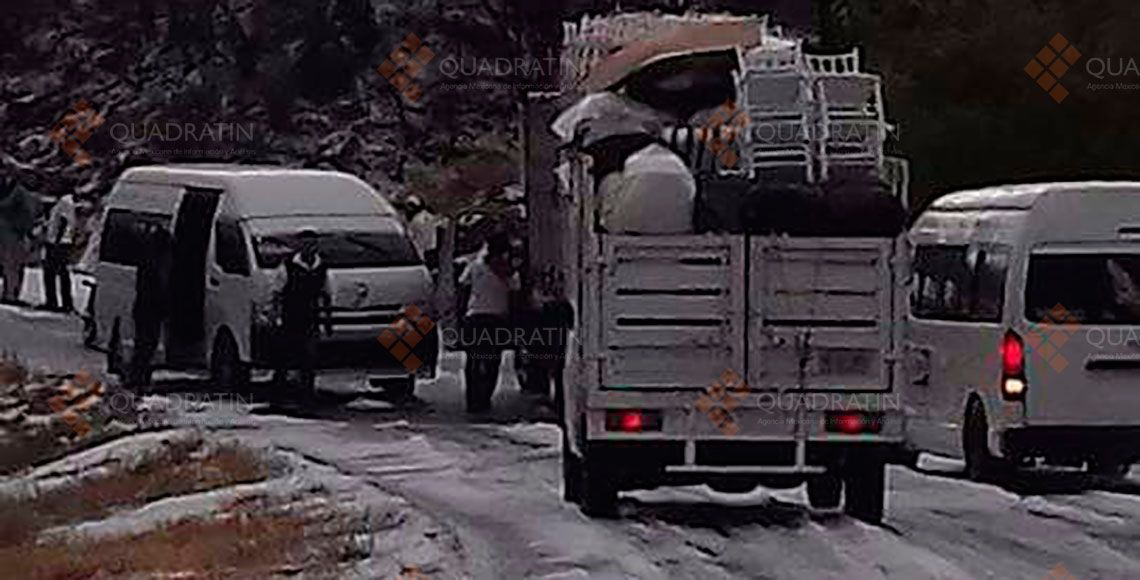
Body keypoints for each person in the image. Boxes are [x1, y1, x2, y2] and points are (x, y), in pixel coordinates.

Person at [458, 233, 513, 413]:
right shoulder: (507, 271)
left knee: (473, 360)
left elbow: (463, 288)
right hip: (496, 319)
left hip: (474, 318)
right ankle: (485, 398)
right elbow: (516, 291)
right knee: (492, 361)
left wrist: (459, 318)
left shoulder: (475, 266)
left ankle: (472, 399)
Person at [274, 229, 331, 393]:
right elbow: (276, 292)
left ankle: (307, 391)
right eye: (305, 244)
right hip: (290, 316)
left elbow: (326, 293)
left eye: (312, 244)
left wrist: (327, 320)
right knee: (285, 354)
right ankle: (280, 389)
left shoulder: (322, 267)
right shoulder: (288, 266)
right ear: (299, 246)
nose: (309, 247)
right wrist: (275, 315)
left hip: (311, 317)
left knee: (309, 356)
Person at [128, 223, 172, 388]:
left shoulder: (147, 260)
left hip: (143, 308)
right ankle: (139, 379)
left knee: (143, 345)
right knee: (146, 345)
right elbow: (157, 290)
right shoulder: (155, 266)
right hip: (150, 310)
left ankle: (138, 377)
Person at [0, 172, 38, 305]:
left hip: (13, 234)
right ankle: (10, 293)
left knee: (11, 266)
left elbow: (27, 216)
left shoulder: (19, 194)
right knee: (11, 267)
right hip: (12, 234)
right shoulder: (21, 194)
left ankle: (10, 295)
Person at [43, 189, 78, 312]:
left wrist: (56, 241)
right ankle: (63, 302)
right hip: (60, 242)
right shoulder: (64, 201)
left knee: (52, 273)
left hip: (59, 243)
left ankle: (56, 302)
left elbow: (64, 221)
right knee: (60, 273)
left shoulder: (65, 201)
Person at [406, 196, 440, 271]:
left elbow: (410, 236)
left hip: (420, 251)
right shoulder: (430, 216)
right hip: (432, 248)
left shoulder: (415, 221)